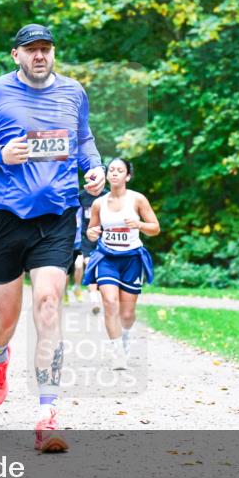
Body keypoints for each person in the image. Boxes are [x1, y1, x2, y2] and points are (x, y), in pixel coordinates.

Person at [0, 23, 105, 452]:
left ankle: (47, 411)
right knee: (6, 321)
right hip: (4, 218)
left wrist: (92, 168)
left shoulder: (73, 92)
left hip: (57, 216)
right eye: (31, 50)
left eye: (46, 49)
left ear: (53, 53)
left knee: (47, 304)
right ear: (15, 54)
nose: (40, 56)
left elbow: (84, 140)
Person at [83, 158, 159, 370]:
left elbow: (155, 227)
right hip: (107, 257)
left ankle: (123, 337)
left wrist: (139, 224)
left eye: (120, 170)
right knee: (109, 302)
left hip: (132, 259)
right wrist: (92, 232)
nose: (114, 173)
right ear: (107, 175)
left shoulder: (138, 200)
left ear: (127, 176)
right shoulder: (98, 203)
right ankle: (117, 352)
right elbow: (91, 232)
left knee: (127, 313)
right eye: (111, 170)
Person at [75, 184, 104, 312]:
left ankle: (99, 298)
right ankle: (94, 300)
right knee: (89, 265)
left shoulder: (107, 196)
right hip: (85, 237)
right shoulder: (81, 196)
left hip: (104, 237)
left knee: (98, 268)